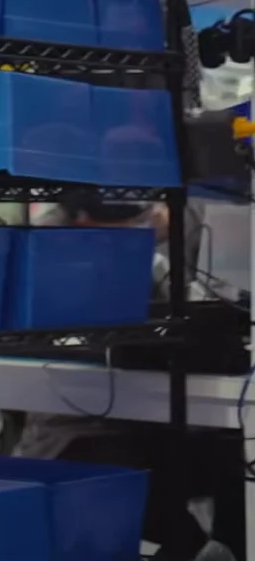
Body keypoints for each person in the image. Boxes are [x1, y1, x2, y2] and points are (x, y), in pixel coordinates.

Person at [12, 198, 243, 561]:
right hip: (86, 432)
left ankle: (223, 546)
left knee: (236, 452)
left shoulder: (190, 219)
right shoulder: (52, 235)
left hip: (168, 423)